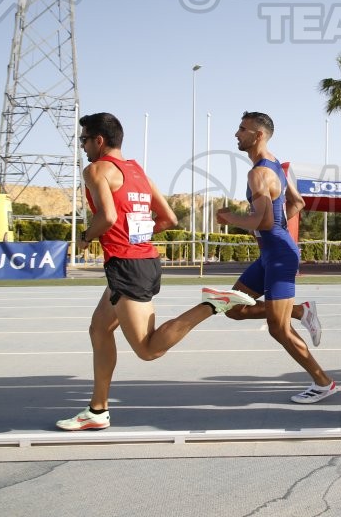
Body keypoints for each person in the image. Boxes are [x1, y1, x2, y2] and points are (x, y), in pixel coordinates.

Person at [56, 112, 257, 431]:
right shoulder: (137, 172)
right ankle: (97, 410)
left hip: (127, 266)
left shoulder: (96, 170)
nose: (81, 147)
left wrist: (85, 238)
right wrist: (136, 237)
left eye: (83, 140)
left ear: (99, 140)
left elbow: (106, 217)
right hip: (139, 260)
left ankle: (214, 304)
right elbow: (168, 220)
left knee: (148, 350)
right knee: (99, 328)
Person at [213, 112, 337, 403]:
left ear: (258, 135)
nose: (236, 134)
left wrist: (230, 217)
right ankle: (300, 310)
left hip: (279, 256)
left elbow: (264, 221)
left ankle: (323, 382)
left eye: (242, 129)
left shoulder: (257, 173)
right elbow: (297, 203)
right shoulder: (276, 166)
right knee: (233, 308)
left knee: (278, 329)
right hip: (271, 253)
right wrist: (271, 232)